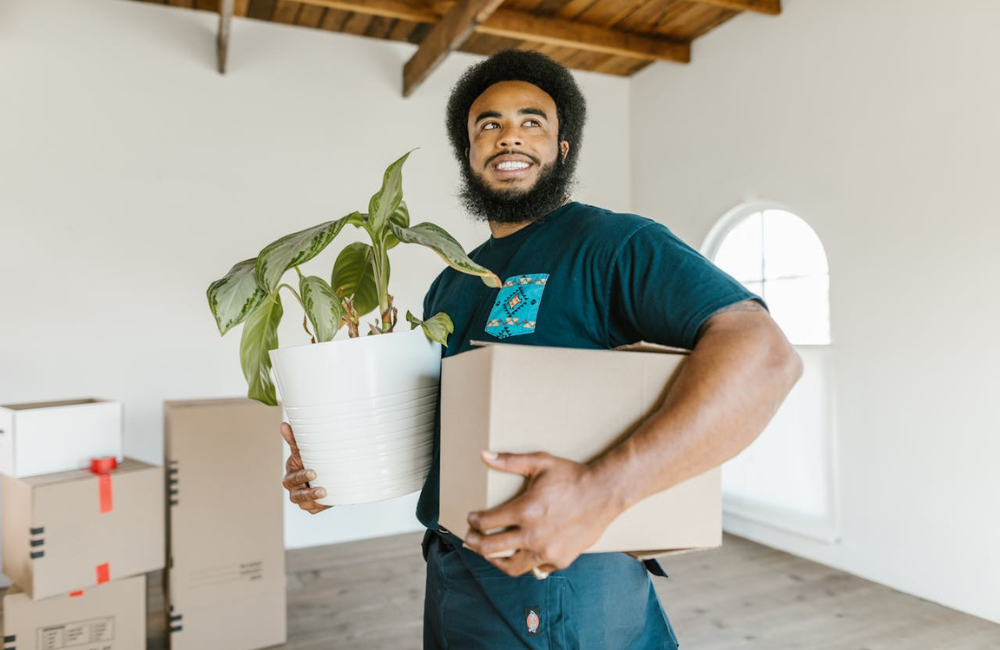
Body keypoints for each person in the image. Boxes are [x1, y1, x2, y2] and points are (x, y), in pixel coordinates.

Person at [280, 50, 802, 649]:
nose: (509, 137)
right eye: (488, 124)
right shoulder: (455, 278)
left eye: (533, 121)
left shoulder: (613, 242)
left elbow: (766, 356)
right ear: (469, 154)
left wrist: (602, 491)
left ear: (563, 148)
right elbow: (449, 428)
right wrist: (337, 466)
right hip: (452, 565)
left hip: (563, 577)